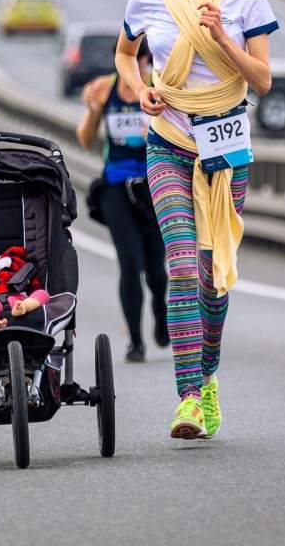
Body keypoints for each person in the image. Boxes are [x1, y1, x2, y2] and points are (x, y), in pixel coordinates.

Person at [115, 0, 277, 440]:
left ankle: (208, 379)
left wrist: (223, 38)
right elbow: (125, 54)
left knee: (213, 276)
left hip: (225, 147)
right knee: (182, 266)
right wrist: (140, 89)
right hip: (168, 142)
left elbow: (262, 81)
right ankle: (188, 398)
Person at [76, 50, 168, 363]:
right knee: (129, 262)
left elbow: (183, 134)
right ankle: (136, 341)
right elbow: (86, 140)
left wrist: (156, 132)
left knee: (156, 268)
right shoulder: (104, 87)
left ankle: (161, 313)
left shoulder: (161, 85)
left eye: (140, 62)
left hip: (154, 184)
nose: (133, 68)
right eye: (126, 61)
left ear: (148, 60)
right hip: (115, 185)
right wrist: (93, 112)